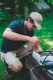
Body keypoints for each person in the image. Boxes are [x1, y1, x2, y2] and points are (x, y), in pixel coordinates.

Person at [1, 12, 43, 80]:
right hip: (7, 51)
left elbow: (29, 50)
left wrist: (33, 45)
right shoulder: (16, 24)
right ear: (29, 20)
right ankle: (9, 67)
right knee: (18, 67)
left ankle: (22, 63)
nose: (34, 28)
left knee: (35, 52)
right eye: (34, 26)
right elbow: (6, 34)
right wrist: (29, 38)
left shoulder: (30, 30)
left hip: (18, 48)